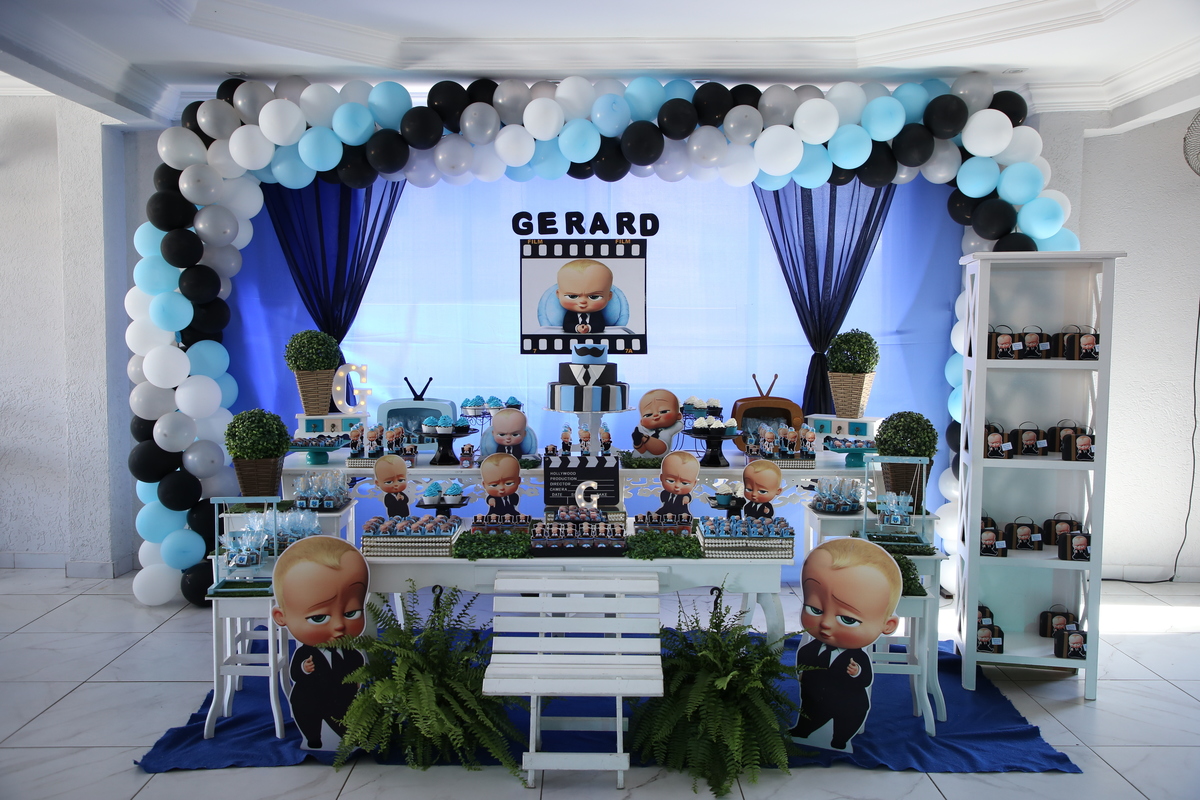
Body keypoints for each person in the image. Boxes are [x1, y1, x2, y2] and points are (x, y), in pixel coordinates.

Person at [789, 538, 902, 751]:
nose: (826, 623)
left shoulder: (857, 659)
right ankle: (802, 730)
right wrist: (802, 674)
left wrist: (857, 672)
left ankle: (840, 740)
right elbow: (804, 662)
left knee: (846, 722)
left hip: (848, 702)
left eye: (848, 619)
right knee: (809, 715)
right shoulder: (809, 649)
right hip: (814, 697)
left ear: (888, 625)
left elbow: (865, 679)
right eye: (815, 609)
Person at [271, 536, 369, 751]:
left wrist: (359, 677)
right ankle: (312, 738)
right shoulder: (305, 654)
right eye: (318, 617)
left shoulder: (350, 653)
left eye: (351, 613)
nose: (339, 625)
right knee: (308, 716)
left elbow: (356, 662)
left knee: (345, 720)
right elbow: (296, 673)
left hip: (342, 697)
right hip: (311, 699)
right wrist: (304, 669)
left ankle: (351, 736)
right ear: (281, 617)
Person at [556, 259, 614, 334]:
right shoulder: (570, 314)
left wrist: (589, 328)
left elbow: (600, 326)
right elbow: (567, 326)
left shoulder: (597, 314)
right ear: (558, 294)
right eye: (572, 296)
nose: (582, 301)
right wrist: (577, 328)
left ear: (609, 296)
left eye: (594, 297)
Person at [632, 389, 684, 456]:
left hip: (660, 451)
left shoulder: (670, 429)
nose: (655, 415)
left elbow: (679, 424)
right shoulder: (642, 428)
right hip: (641, 454)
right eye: (648, 415)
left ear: (678, 416)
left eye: (663, 411)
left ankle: (643, 438)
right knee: (640, 447)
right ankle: (638, 442)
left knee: (661, 448)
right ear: (641, 421)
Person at [655, 451, 700, 516]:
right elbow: (663, 497)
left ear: (694, 483)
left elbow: (688, 497)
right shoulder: (666, 493)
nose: (677, 486)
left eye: (684, 483)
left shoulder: (685, 495)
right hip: (666, 510)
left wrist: (686, 499)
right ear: (661, 478)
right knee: (658, 513)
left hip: (680, 512)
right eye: (671, 481)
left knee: (684, 516)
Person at [481, 453, 522, 517]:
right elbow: (489, 498)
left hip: (511, 514)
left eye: (508, 483)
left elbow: (515, 501)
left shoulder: (513, 496)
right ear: (484, 485)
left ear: (518, 481)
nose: (501, 488)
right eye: (494, 485)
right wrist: (491, 501)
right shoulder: (493, 497)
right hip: (495, 514)